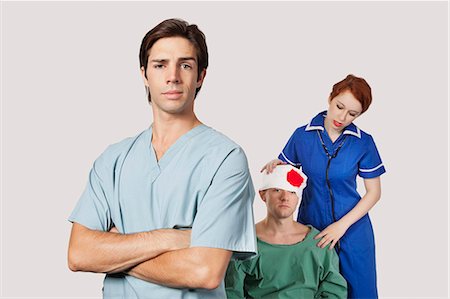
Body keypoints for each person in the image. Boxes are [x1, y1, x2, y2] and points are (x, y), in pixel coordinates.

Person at [67, 18, 257, 299]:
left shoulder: (226, 159)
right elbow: (79, 254)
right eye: (160, 65)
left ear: (201, 76)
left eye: (185, 65)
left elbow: (203, 270)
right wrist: (172, 238)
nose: (173, 76)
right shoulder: (113, 160)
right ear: (144, 74)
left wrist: (114, 250)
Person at [262, 74, 385, 299]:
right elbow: (289, 177)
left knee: (360, 292)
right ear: (330, 97)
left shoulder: (363, 142)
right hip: (312, 225)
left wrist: (342, 226)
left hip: (353, 230)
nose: (342, 116)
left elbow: (374, 192)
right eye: (339, 106)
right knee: (313, 289)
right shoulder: (302, 135)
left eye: (352, 113)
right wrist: (276, 165)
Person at [225, 164, 347, 298]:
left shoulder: (319, 243)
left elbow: (334, 291)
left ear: (298, 198)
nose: (285, 197)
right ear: (263, 194)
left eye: (292, 192)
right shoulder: (245, 243)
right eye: (277, 190)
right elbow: (232, 292)